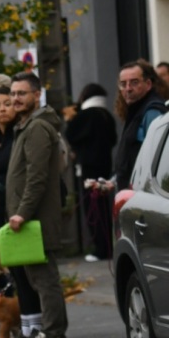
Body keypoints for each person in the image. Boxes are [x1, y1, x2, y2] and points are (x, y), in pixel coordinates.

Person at [7, 72, 69, 338]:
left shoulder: (37, 128)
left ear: (37, 95)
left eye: (22, 93)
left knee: (45, 280)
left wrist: (22, 213)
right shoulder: (26, 126)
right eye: (13, 93)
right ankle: (51, 333)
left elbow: (37, 177)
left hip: (36, 220)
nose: (16, 99)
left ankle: (54, 336)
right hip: (30, 219)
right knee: (38, 279)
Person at [0, 87, 40, 338]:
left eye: (7, 103)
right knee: (14, 272)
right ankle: (25, 329)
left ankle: (35, 328)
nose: (3, 109)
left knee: (28, 272)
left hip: (19, 209)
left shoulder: (19, 135)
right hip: (0, 212)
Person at [63, 83, 118, 262]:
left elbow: (71, 134)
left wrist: (71, 119)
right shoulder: (106, 115)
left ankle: (100, 249)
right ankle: (108, 246)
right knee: (103, 207)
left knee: (93, 208)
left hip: (89, 167)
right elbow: (113, 139)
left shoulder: (86, 115)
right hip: (104, 165)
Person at [111, 60, 168, 190]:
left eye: (134, 82)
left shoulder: (152, 111)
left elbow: (158, 157)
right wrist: (113, 181)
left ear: (148, 84)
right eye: (123, 84)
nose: (128, 88)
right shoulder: (136, 109)